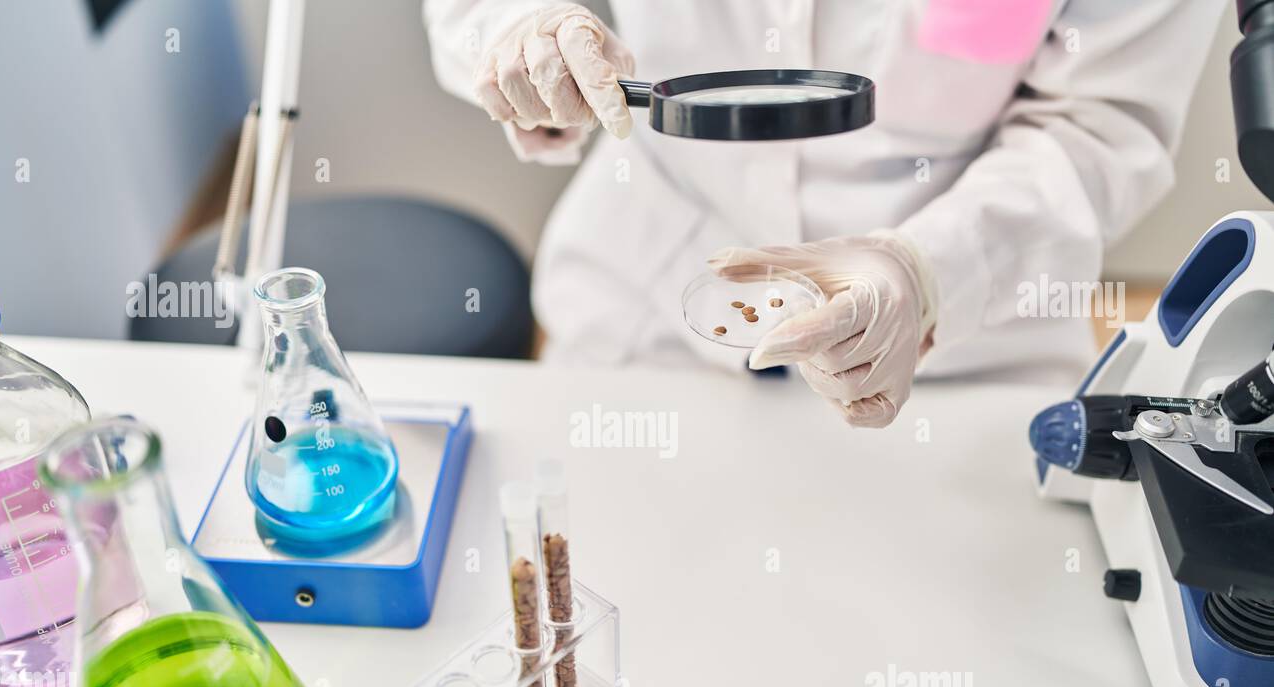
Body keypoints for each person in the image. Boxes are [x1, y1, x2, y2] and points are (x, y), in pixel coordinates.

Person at [424, 1, 1223, 427]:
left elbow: (1098, 127)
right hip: (648, 298)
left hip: (964, 335)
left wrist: (926, 273)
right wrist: (518, 35)